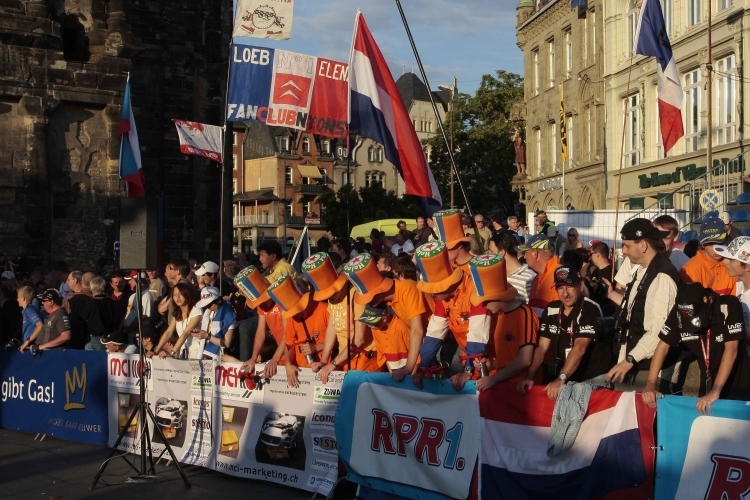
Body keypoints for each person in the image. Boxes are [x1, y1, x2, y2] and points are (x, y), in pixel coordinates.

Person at [415, 244, 511, 392]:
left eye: (433, 290)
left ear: (444, 285)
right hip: (477, 360)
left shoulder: (476, 289)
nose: (431, 295)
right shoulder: (443, 298)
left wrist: (468, 370)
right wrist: (423, 367)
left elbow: (477, 336)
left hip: (497, 363)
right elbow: (434, 333)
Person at [642, 283, 750, 413]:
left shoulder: (728, 304)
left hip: (737, 382)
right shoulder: (680, 309)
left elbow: (732, 350)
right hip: (707, 382)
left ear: (709, 300)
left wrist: (716, 390)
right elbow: (663, 346)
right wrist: (650, 384)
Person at [517, 266, 614, 398]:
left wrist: (560, 379)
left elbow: (580, 347)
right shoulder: (551, 309)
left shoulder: (590, 308)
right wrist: (529, 376)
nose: (565, 293)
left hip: (594, 377)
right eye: (560, 288)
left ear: (580, 286)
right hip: (570, 376)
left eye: (569, 287)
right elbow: (542, 347)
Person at [605, 218, 681, 385]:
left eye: (627, 245)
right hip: (633, 361)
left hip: (650, 369)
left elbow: (660, 331)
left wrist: (629, 360)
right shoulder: (641, 270)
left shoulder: (663, 276)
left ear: (643, 246)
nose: (624, 251)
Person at [343, 252, 430, 382]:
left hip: (439, 340)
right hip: (426, 343)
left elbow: (417, 330)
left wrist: (408, 369)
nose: (369, 302)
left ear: (378, 292)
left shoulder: (408, 288)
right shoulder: (391, 301)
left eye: (370, 299)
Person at [304, 253, 380, 383]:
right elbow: (332, 329)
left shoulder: (358, 296)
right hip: (344, 359)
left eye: (331, 293)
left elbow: (360, 339)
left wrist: (333, 363)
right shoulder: (332, 299)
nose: (329, 298)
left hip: (365, 359)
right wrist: (324, 361)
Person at [466, 255, 538, 392]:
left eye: (486, 301)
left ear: (499, 296)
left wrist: (494, 379)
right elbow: (508, 358)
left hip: (520, 390)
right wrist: (491, 365)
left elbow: (525, 359)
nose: (485, 306)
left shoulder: (525, 314)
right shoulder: (499, 316)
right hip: (503, 387)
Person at [269, 275, 329, 388]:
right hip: (301, 374)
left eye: (299, 309)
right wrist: (288, 363)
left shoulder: (325, 309)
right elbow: (289, 343)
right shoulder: (292, 316)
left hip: (325, 373)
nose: (297, 315)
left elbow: (338, 343)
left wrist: (317, 347)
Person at [237, 266, 286, 378]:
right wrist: (253, 358)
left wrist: (275, 359)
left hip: (293, 354)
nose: (261, 304)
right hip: (281, 354)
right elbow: (260, 332)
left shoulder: (281, 299)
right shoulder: (261, 306)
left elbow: (288, 333)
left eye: (262, 300)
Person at [680, 217, 737, 295]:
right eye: (711, 244)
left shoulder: (735, 265)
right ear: (703, 245)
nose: (716, 248)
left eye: (720, 243)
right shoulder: (691, 268)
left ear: (726, 241)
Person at [151, 282, 202, 359]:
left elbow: (186, 333)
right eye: (174, 295)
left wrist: (172, 352)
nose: (177, 297)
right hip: (182, 350)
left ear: (186, 294)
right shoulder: (177, 313)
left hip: (196, 351)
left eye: (180, 294)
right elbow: (168, 332)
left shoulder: (196, 311)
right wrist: (155, 351)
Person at [188, 286, 236, 361]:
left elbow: (227, 343)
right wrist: (200, 334)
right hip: (207, 353)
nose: (208, 307)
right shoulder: (210, 313)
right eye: (206, 305)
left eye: (210, 304)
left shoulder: (229, 316)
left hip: (221, 357)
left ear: (218, 301)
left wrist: (207, 336)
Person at [488, 231, 537, 304]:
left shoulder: (529, 279)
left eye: (491, 251)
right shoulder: (495, 275)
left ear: (502, 252)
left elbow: (532, 311)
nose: (488, 255)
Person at [519, 234, 560, 316]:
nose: (524, 256)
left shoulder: (560, 275)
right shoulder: (536, 279)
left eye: (526, 252)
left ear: (535, 253)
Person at [716, 237, 750, 333]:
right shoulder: (738, 283)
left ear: (747, 266)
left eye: (731, 259)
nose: (724, 261)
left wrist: (732, 330)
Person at [82, 277, 114, 351]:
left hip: (93, 337)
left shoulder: (90, 303)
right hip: (108, 337)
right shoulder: (110, 301)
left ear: (91, 287)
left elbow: (83, 317)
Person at [17, 285, 43, 352]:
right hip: (28, 345)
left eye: (18, 297)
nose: (17, 300)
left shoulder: (30, 310)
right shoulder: (27, 310)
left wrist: (26, 342)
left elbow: (40, 325)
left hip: (31, 347)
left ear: (23, 298)